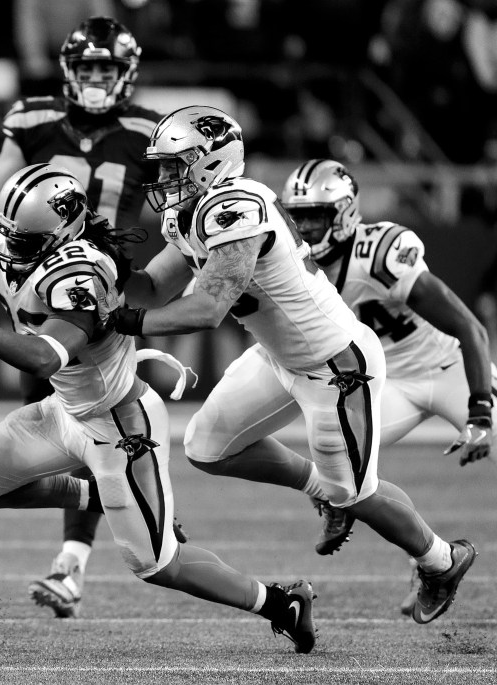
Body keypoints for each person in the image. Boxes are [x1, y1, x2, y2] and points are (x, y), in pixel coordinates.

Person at [0, 162, 319, 654]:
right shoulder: (13, 243)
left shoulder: (82, 270)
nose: (9, 249)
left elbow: (42, 355)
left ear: (64, 230)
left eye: (24, 240)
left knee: (158, 565)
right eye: (4, 235)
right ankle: (95, 498)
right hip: (64, 410)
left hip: (120, 425)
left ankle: (280, 603)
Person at [109, 105, 477, 625]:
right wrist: (109, 267)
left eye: (176, 165)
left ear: (212, 161)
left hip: (336, 365)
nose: (165, 177)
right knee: (206, 447)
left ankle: (441, 559)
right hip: (277, 357)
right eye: (163, 166)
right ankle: (319, 491)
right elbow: (153, 287)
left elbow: (208, 307)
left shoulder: (237, 206)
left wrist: (125, 321)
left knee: (356, 492)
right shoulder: (187, 213)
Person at [0, 15, 169, 618]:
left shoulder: (147, 130)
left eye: (106, 68)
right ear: (68, 71)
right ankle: (128, 500)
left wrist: (140, 279)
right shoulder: (32, 118)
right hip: (41, 290)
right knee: (64, 421)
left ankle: (73, 564)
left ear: (126, 73)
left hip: (95, 296)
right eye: (86, 68)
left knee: (98, 415)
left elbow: (176, 212)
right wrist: (7, 259)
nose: (95, 78)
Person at [279, 158, 494, 615]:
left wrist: (479, 409)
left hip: (449, 367)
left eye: (316, 215)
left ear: (344, 213)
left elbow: (470, 329)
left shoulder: (379, 251)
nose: (306, 226)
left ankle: (345, 504)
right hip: (387, 380)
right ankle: (429, 560)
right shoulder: (292, 264)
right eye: (298, 216)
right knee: (344, 467)